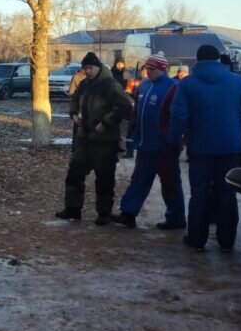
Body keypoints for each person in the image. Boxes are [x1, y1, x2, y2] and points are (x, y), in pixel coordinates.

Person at [168, 44, 241, 252]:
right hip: (231, 147)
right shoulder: (236, 81)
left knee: (199, 192)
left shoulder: (187, 84)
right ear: (218, 60)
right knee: (227, 192)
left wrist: (175, 141)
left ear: (197, 60)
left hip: (200, 148)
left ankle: (196, 238)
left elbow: (178, 116)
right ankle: (227, 239)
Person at [111, 53, 186, 230]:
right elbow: (136, 112)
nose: (147, 72)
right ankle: (128, 213)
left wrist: (175, 141)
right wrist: (133, 132)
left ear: (161, 69)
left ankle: (176, 218)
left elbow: (177, 117)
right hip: (145, 144)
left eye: (151, 69)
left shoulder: (173, 87)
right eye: (146, 68)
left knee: (170, 183)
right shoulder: (143, 86)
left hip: (164, 146)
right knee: (139, 179)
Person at [56, 52, 132, 225]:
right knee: (74, 174)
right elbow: (74, 101)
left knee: (104, 178)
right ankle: (72, 209)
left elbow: (124, 107)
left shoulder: (110, 85)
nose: (87, 71)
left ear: (98, 67)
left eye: (90, 68)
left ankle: (104, 214)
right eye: (85, 68)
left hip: (105, 141)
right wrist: (74, 115)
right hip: (84, 138)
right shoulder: (83, 85)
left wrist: (105, 123)